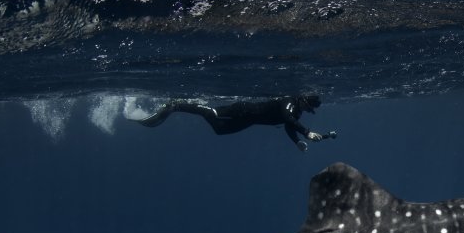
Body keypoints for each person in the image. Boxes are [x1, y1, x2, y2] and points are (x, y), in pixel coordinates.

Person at [134, 94, 336, 151]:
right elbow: (286, 117)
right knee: (213, 112)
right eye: (308, 107)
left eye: (309, 110)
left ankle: (192, 107)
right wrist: (307, 132)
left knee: (219, 131)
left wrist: (297, 141)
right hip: (244, 110)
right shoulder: (289, 101)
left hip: (249, 120)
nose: (307, 111)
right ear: (303, 100)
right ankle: (178, 104)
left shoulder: (296, 113)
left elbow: (289, 125)